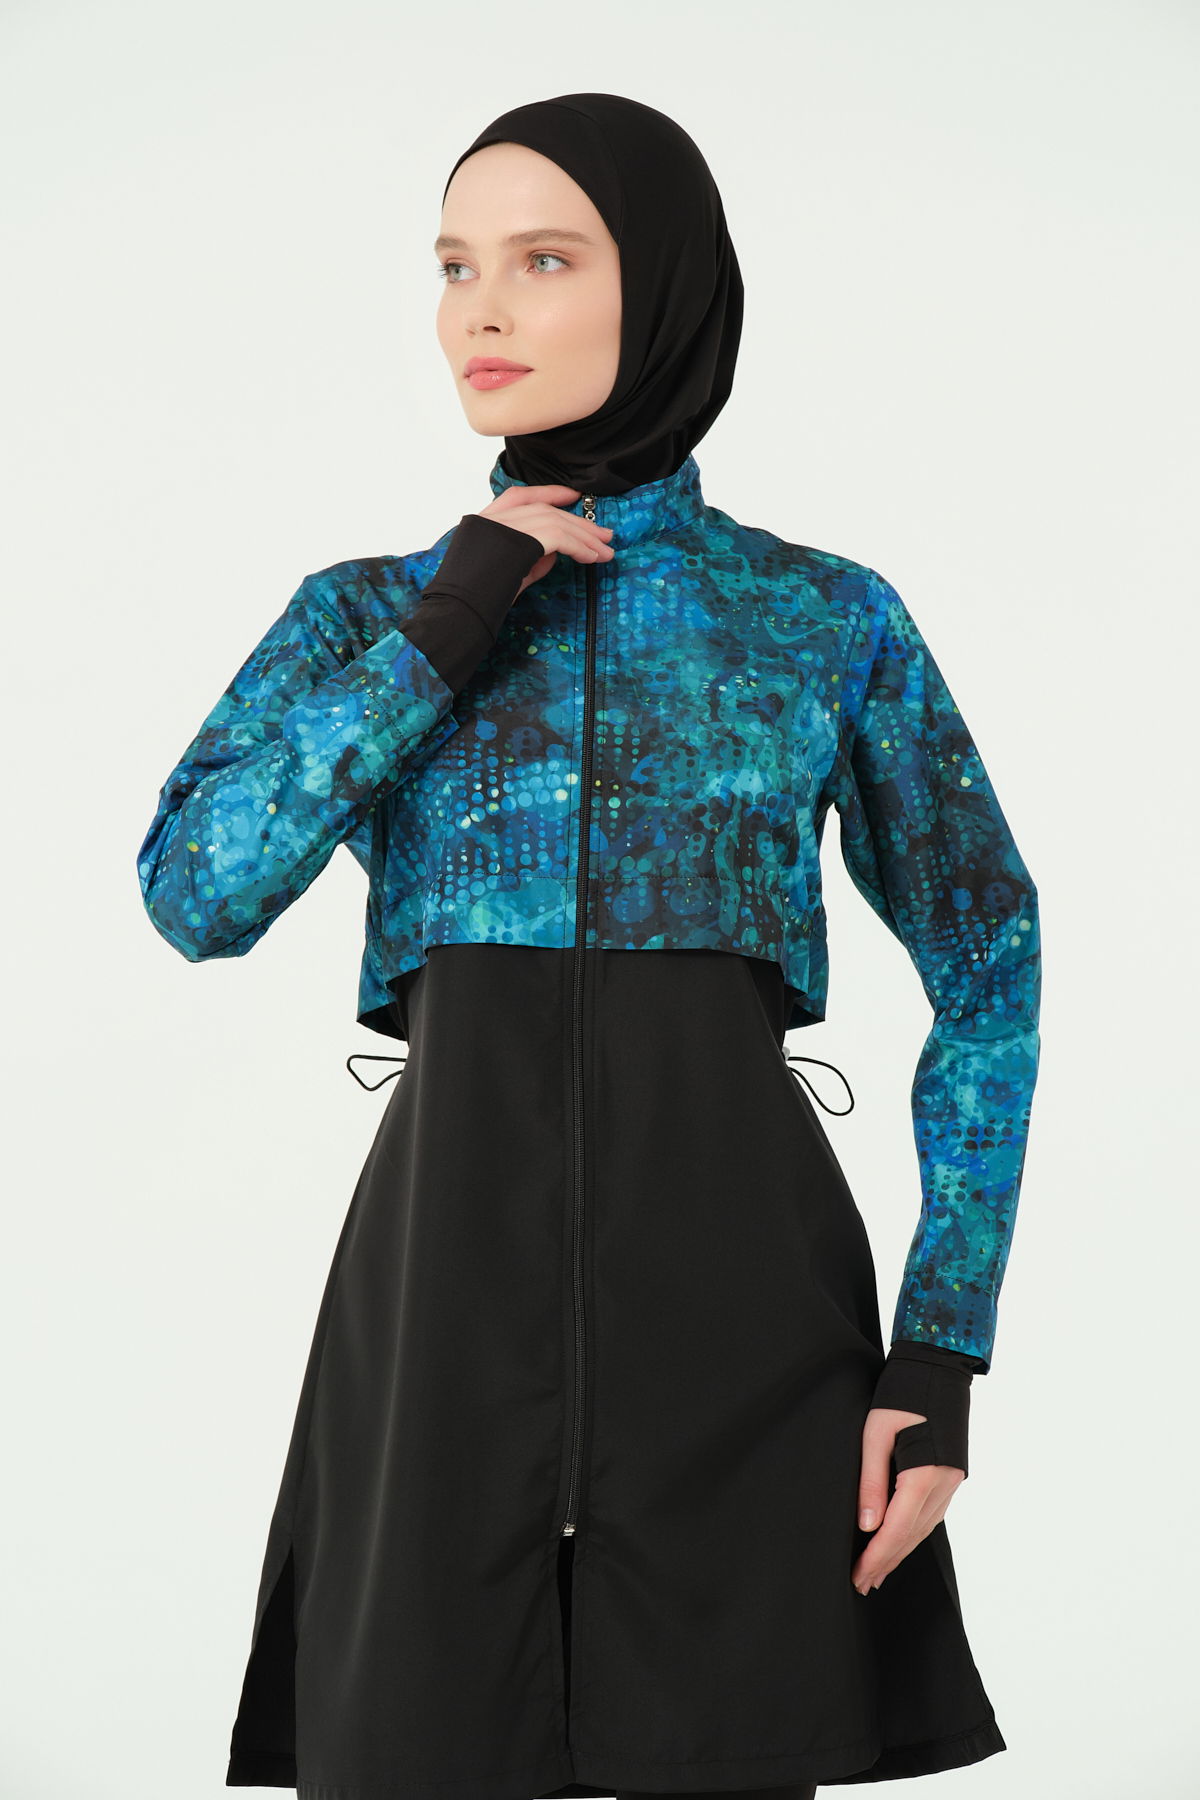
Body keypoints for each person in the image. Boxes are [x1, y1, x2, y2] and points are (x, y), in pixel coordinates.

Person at [135, 92, 1042, 1800]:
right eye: (454, 265)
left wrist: (940, 1352)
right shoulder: (370, 613)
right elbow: (198, 892)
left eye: (543, 261)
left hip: (752, 1335)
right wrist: (456, 615)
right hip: (439, 1320)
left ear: (669, 289)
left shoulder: (818, 616)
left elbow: (991, 952)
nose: (479, 310)